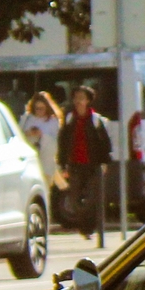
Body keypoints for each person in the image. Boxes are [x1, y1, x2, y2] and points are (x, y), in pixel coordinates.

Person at [59, 85, 114, 242]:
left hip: (92, 165)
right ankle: (84, 226)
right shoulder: (70, 119)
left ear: (88, 100)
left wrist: (104, 162)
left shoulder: (96, 120)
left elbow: (105, 143)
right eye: (76, 98)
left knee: (91, 199)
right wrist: (63, 164)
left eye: (82, 98)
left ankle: (88, 229)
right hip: (75, 164)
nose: (78, 101)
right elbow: (63, 142)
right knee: (74, 200)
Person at [19, 91, 62, 220]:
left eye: (42, 108)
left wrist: (42, 135)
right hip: (29, 162)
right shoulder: (26, 118)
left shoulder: (53, 121)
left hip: (46, 162)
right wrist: (28, 134)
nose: (39, 111)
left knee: (44, 191)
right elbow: (18, 136)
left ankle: (44, 218)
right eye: (37, 108)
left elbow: (56, 142)